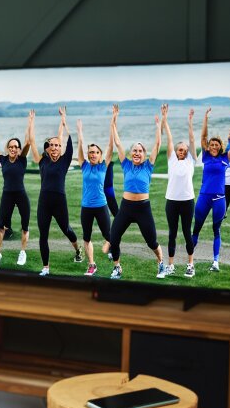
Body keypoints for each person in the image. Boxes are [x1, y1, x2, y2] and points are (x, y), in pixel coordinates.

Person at [108, 104, 166, 280]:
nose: (137, 153)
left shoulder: (148, 166)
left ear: (144, 154)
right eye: (134, 150)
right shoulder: (125, 164)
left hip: (143, 208)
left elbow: (157, 143)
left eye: (140, 151)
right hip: (126, 207)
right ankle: (117, 268)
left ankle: (161, 263)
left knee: (152, 242)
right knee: (114, 237)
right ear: (131, 152)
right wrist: (114, 118)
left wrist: (159, 125)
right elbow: (117, 142)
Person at [26, 106, 81, 276]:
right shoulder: (42, 161)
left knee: (66, 229)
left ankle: (78, 250)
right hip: (44, 202)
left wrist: (64, 121)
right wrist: (31, 122)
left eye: (58, 145)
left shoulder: (64, 161)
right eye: (53, 145)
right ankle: (46, 267)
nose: (56, 147)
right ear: (48, 148)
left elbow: (69, 140)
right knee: (43, 234)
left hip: (59, 202)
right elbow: (32, 141)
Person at [193, 106, 230, 271]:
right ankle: (190, 261)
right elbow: (203, 136)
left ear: (220, 146)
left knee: (217, 230)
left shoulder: (225, 158)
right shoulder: (206, 156)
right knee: (196, 229)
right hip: (203, 197)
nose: (213, 146)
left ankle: (215, 262)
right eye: (211, 144)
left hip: (219, 199)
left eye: (216, 144)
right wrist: (205, 118)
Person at [0, 111, 30, 267]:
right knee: (1, 226)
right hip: (7, 195)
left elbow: (28, 142)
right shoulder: (3, 159)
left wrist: (30, 121)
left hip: (21, 195)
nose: (13, 148)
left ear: (18, 149)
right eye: (11, 146)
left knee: (25, 226)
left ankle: (22, 252)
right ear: (8, 148)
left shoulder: (22, 160)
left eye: (16, 147)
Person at [75, 116, 113, 276]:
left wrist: (113, 123)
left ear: (100, 154)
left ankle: (110, 248)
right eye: (90, 152)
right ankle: (92, 264)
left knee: (109, 235)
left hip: (101, 205)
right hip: (86, 207)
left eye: (96, 152)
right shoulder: (84, 165)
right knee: (86, 237)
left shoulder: (103, 166)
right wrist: (80, 132)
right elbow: (80, 146)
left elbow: (111, 146)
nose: (92, 154)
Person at [162, 106, 197, 278]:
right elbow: (169, 138)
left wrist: (190, 121)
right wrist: (165, 118)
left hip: (187, 201)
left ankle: (190, 265)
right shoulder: (171, 160)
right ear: (175, 152)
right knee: (172, 234)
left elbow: (191, 138)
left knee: (186, 232)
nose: (181, 151)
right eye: (179, 149)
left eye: (184, 149)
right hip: (172, 202)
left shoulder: (191, 160)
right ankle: (171, 265)